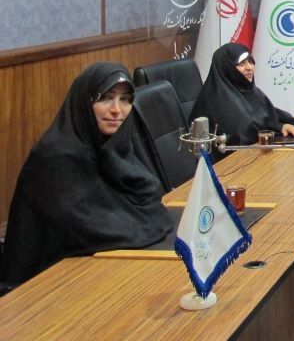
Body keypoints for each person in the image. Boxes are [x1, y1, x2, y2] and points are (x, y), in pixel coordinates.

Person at [0, 63, 173, 287]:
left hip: (99, 267)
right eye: (105, 98)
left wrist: (146, 220)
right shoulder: (55, 157)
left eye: (125, 99)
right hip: (46, 283)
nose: (117, 110)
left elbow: (148, 194)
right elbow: (89, 229)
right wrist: (147, 222)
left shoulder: (115, 143)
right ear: (84, 101)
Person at [189, 43, 294, 146]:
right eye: (241, 63)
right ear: (227, 68)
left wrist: (281, 126)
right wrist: (273, 130)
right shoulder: (217, 100)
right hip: (230, 160)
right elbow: (243, 136)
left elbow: (267, 117)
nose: (249, 68)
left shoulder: (251, 92)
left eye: (250, 61)